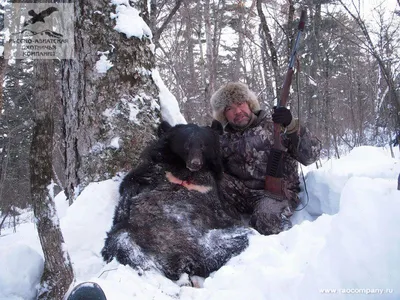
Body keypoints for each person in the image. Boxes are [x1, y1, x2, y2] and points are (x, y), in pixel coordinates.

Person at [210, 82, 322, 235]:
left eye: (240, 103)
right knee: (208, 181)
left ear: (249, 103)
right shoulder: (223, 139)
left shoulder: (275, 125)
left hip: (277, 193)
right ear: (223, 115)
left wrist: (292, 125)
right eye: (229, 108)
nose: (237, 111)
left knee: (267, 220)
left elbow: (311, 156)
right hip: (242, 195)